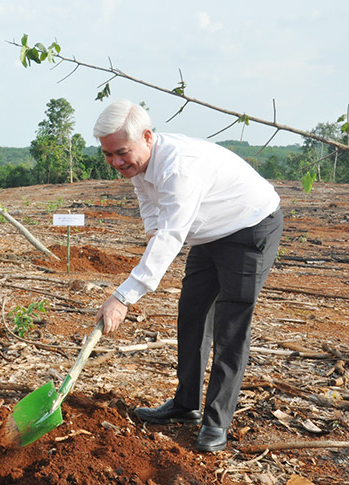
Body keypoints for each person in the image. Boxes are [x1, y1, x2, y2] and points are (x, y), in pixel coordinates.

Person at [92, 99, 283, 452]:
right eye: (108, 155)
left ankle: (216, 422)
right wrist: (152, 241)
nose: (116, 163)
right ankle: (185, 405)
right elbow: (151, 208)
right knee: (192, 315)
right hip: (208, 233)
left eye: (121, 152)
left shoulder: (179, 168)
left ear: (147, 136)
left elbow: (171, 236)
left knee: (230, 326)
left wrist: (123, 297)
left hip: (249, 228)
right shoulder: (142, 164)